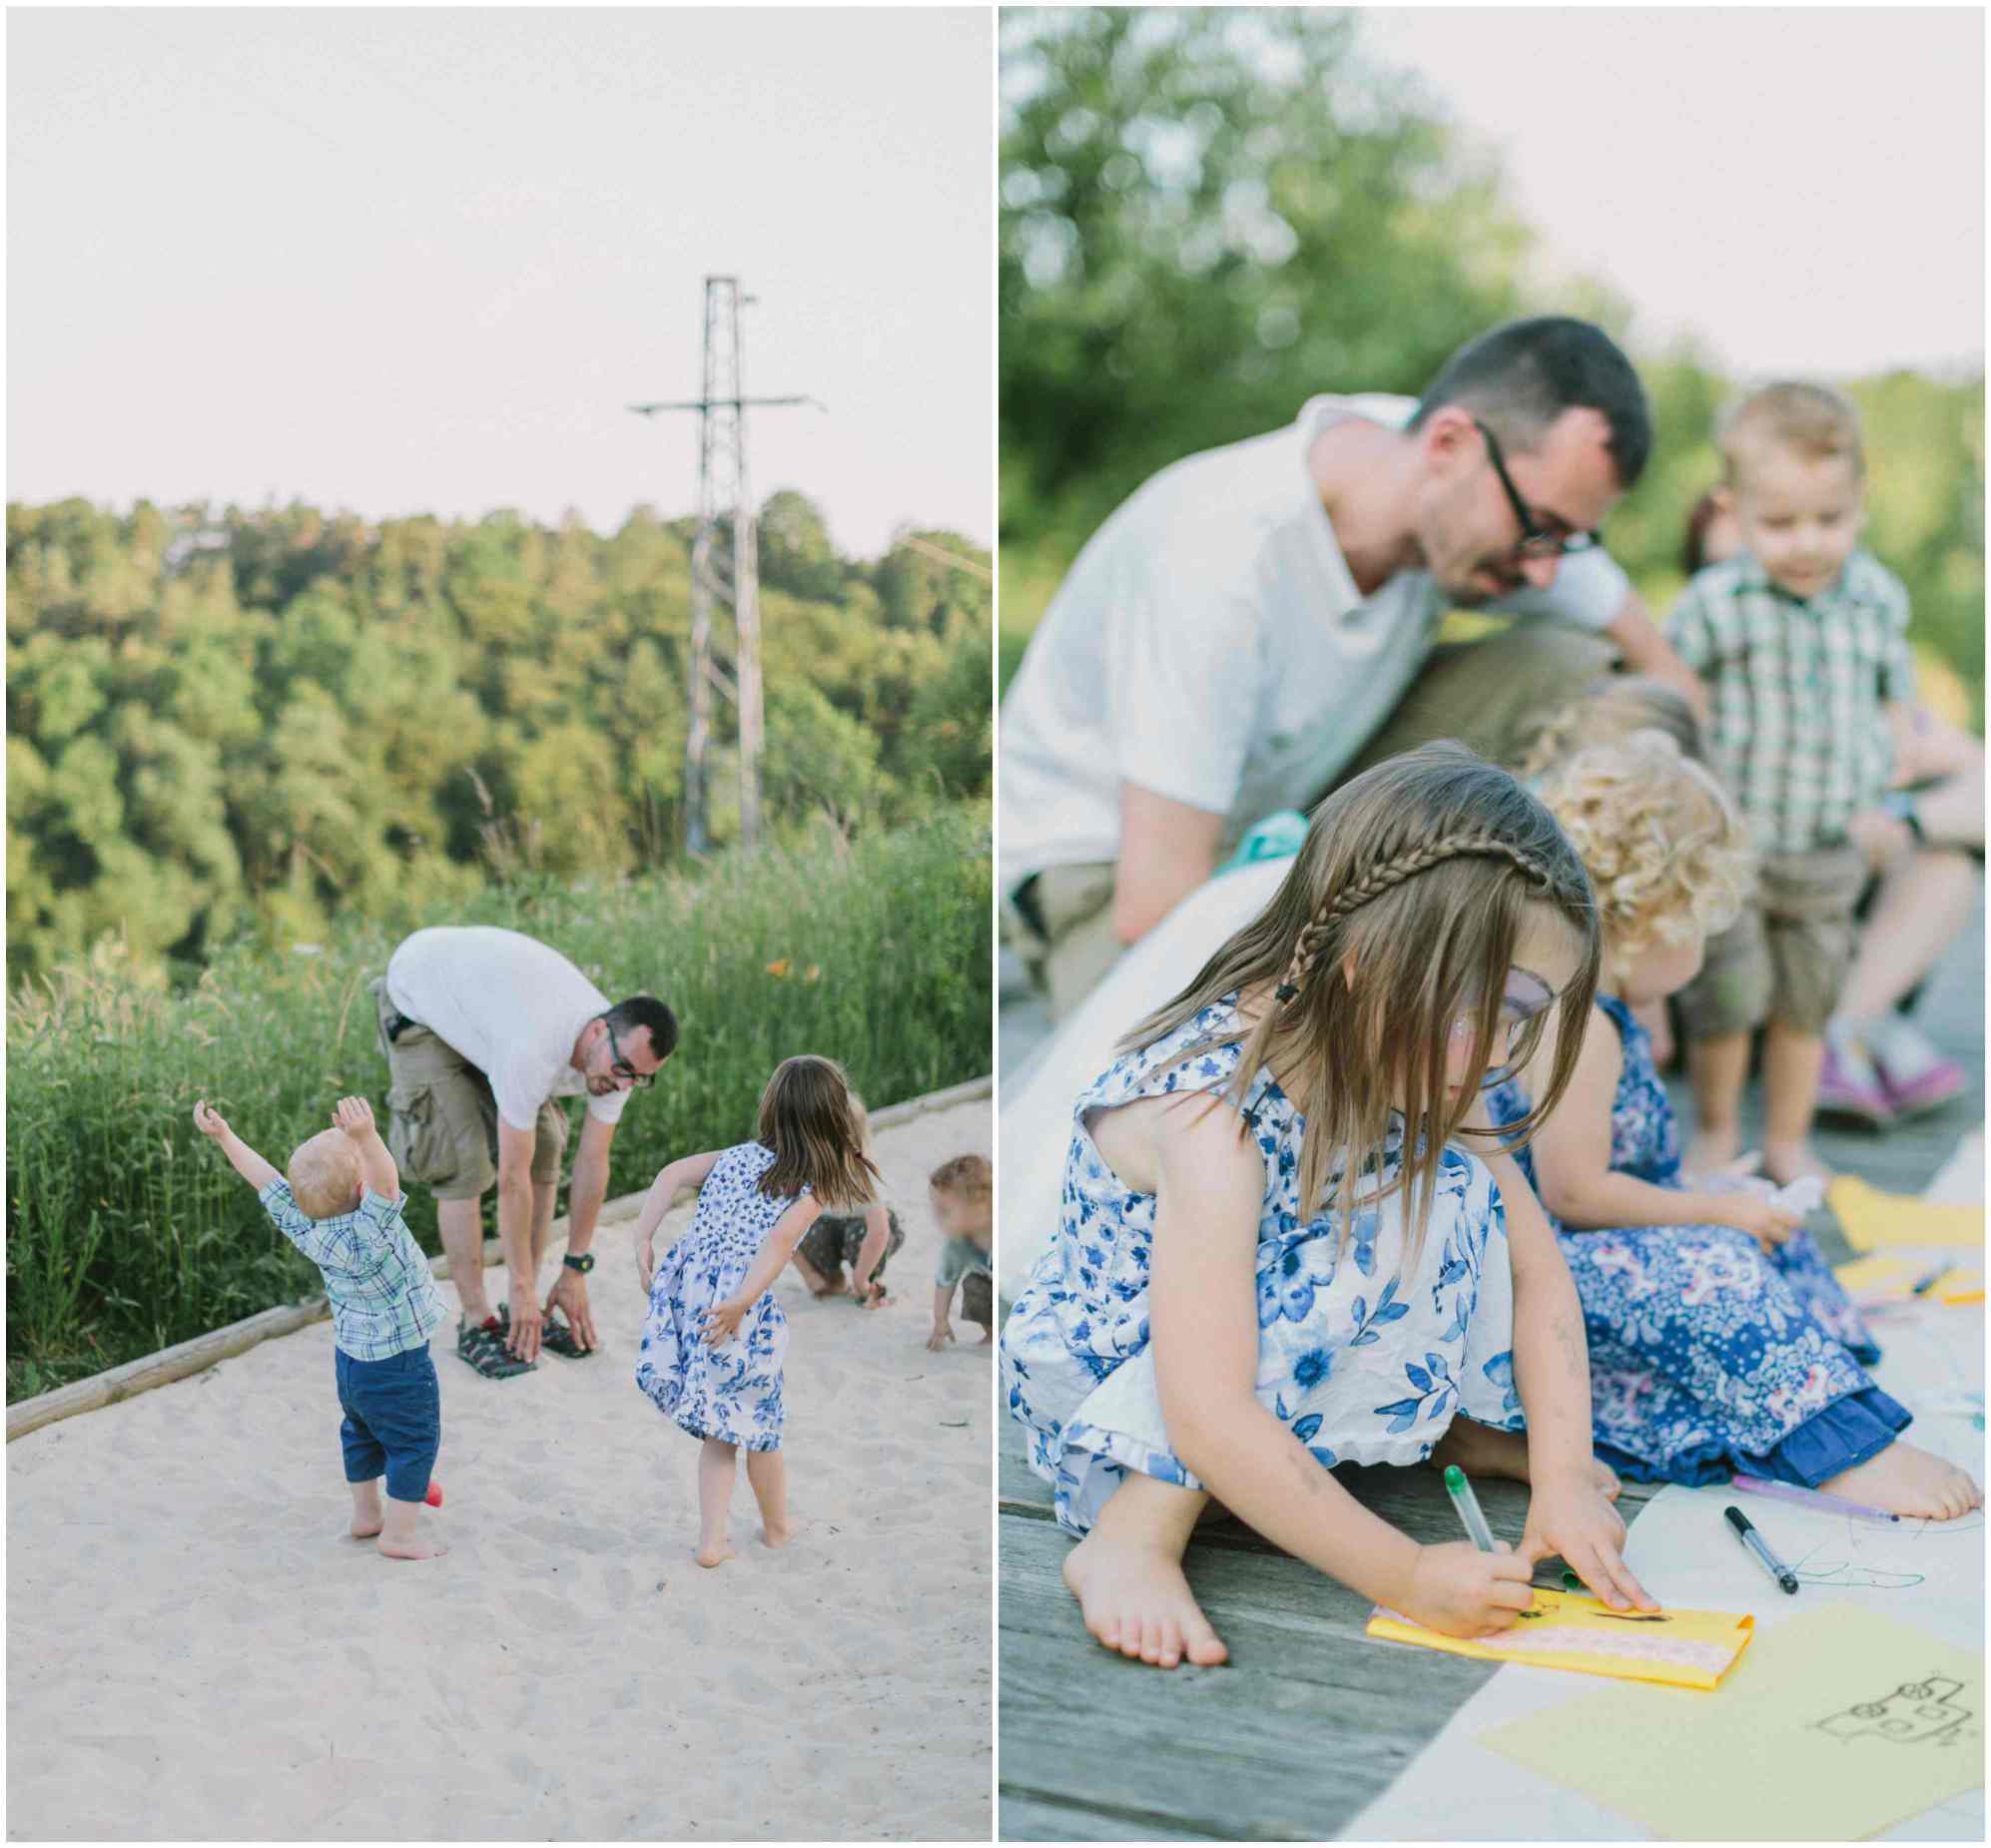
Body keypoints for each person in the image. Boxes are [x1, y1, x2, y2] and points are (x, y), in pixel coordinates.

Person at [1001, 743, 1654, 1671]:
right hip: (1129, 1395)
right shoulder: (1210, 1125)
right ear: (1376, 963)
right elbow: (1210, 1408)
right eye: (1503, 1008)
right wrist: (1410, 1577)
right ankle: (1133, 1537)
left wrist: (1563, 1475)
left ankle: (1441, 1433)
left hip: (1239, 1365)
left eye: (1530, 1014)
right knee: (1371, 1238)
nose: (1510, 1049)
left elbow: (1536, 1263)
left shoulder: (1408, 1060)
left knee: (1456, 1191)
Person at [999, 315, 1704, 1020]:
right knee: (1216, 1059)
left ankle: (1596, 978)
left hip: (1291, 805)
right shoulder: (1217, 560)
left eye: (1569, 542)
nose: (1545, 573)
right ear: (1449, 445)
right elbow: (1154, 907)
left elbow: (1668, 678)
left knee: (1577, 669)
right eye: (1540, 530)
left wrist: (1678, 883)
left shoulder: (1447, 464)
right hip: (1110, 864)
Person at [1484, 731, 1980, 1518]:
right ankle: (1834, 1445)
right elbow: (1576, 1194)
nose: (1704, 956)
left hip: (1590, 1248)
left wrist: (1723, 1195)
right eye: (1704, 934)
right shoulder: (1580, 1022)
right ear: (1657, 915)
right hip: (1540, 1274)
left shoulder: (1598, 1003)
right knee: (1719, 1262)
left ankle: (1814, 1391)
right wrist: (1713, 1207)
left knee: (1764, 1226)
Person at [1665, 383, 1934, 1182]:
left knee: (1805, 1006)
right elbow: (1677, 692)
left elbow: (1898, 711)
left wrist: (1892, 795)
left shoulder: (1877, 599)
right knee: (1729, 1000)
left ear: (1860, 502)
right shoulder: (1719, 602)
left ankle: (1786, 1137)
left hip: (1829, 846)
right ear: (1734, 511)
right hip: (1737, 844)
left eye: (1830, 519)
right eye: (1778, 524)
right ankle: (1717, 1132)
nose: (1807, 544)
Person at [1681, 488, 1981, 1124]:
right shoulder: (1692, 673)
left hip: (1828, 919)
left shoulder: (1857, 687)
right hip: (1722, 957)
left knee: (1950, 855)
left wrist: (1901, 817)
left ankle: (1843, 1032)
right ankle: (1822, 1052)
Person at [375, 925, 676, 1379]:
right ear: (598, 1031)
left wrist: (574, 1270)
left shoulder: (619, 1060)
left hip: (482, 1010)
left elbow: (593, 1162)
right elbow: (511, 1178)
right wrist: (517, 1284)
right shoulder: (535, 1046)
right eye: (623, 1072)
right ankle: (477, 1321)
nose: (624, 1085)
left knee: (548, 1144)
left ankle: (526, 1309)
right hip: (420, 1000)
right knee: (464, 1159)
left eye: (640, 1078)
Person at [632, 1055, 882, 1567]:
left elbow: (672, 1173)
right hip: (736, 1304)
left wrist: (643, 1235)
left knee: (719, 1428)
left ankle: (714, 1540)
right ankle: (775, 1528)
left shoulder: (738, 1155)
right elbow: (778, 1242)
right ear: (833, 1118)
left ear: (771, 1108)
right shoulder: (812, 1187)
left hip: (689, 1291)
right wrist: (744, 1301)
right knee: (760, 1423)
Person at [193, 1094, 450, 1559]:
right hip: (400, 1363)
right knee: (415, 1440)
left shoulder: (306, 1227)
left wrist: (225, 1136)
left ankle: (367, 1513)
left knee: (360, 1432)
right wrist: (367, 1137)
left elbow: (265, 1180)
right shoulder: (373, 1228)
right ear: (360, 1189)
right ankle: (400, 1534)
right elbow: (387, 1181)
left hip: (352, 1363)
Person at [789, 1092, 900, 1307]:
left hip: (870, 1231)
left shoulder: (864, 1175)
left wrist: (860, 1280)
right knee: (807, 1227)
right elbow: (782, 1229)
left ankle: (870, 1280)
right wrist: (810, 1275)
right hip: (830, 1225)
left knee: (858, 1233)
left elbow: (879, 1231)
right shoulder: (804, 1172)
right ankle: (832, 1277)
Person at [926, 1153, 994, 1351]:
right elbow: (945, 1281)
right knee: (973, 1283)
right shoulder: (957, 1244)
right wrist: (940, 1320)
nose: (936, 1218)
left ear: (982, 1210)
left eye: (944, 1211)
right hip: (987, 1280)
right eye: (935, 1209)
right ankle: (992, 1333)